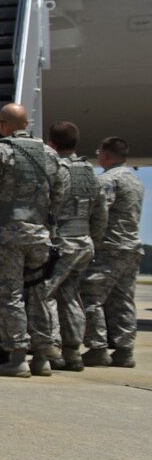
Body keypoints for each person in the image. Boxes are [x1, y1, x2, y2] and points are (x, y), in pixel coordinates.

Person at [0, 103, 64, 378]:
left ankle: (17, 357)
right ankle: (42, 358)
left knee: (8, 296)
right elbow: (59, 196)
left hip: (4, 236)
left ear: (2, 124)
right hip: (39, 237)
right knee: (39, 295)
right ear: (27, 123)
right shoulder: (50, 156)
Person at [39, 122, 106, 373]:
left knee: (44, 294)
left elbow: (48, 206)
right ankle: (73, 351)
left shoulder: (56, 169)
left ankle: (52, 348)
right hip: (84, 242)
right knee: (70, 296)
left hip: (62, 242)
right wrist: (93, 241)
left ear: (51, 144)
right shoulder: (90, 172)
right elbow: (101, 214)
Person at [81, 136, 143, 368]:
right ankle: (125, 350)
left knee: (89, 295)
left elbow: (99, 214)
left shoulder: (107, 180)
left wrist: (91, 239)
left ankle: (97, 347)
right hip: (131, 248)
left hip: (109, 248)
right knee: (122, 299)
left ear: (105, 155)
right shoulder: (135, 180)